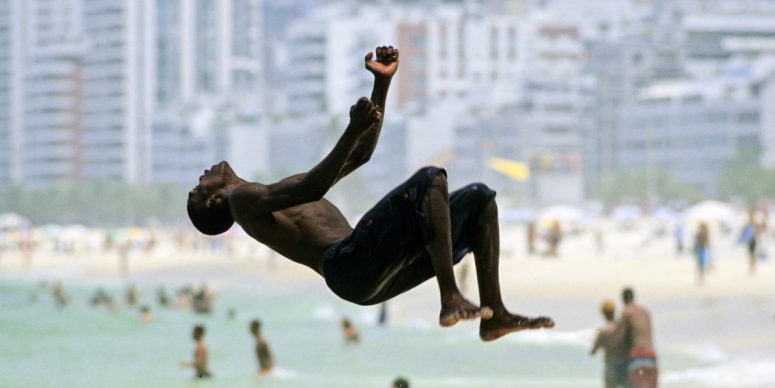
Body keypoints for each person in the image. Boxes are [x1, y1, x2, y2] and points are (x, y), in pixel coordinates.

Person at [187, 45, 553, 341]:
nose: (201, 176)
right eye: (197, 189)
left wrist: (381, 86)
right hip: (348, 264)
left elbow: (360, 155)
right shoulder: (242, 200)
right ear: (213, 201)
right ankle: (450, 297)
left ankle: (495, 314)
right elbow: (314, 186)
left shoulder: (267, 195)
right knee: (430, 179)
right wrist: (351, 128)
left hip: (369, 272)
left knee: (481, 199)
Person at [590, 300, 634, 388]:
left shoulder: (603, 332)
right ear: (614, 312)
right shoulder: (622, 329)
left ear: (603, 313)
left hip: (610, 369)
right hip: (625, 367)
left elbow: (593, 351)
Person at [617, 288, 657, 388]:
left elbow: (621, 335)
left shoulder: (627, 312)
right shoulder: (645, 312)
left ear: (623, 299)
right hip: (651, 353)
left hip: (637, 354)